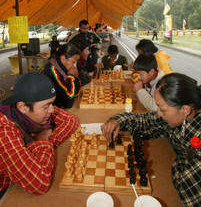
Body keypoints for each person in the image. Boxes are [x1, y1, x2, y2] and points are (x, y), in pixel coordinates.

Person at [101, 73, 201, 207]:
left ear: (185, 109)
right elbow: (147, 120)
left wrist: (181, 160)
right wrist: (118, 120)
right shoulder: (178, 115)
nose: (158, 112)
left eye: (163, 109)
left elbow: (187, 187)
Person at [0, 72, 79, 197]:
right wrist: (42, 142)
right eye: (46, 106)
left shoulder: (35, 106)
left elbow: (70, 121)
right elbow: (40, 183)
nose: (52, 110)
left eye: (52, 103)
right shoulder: (3, 130)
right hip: (5, 190)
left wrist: (40, 146)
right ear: (23, 107)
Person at [43, 43, 81, 109]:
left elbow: (76, 92)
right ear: (63, 58)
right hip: (53, 110)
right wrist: (71, 76)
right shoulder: (53, 70)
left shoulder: (62, 67)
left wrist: (75, 77)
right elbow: (68, 102)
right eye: (73, 62)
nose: (74, 66)